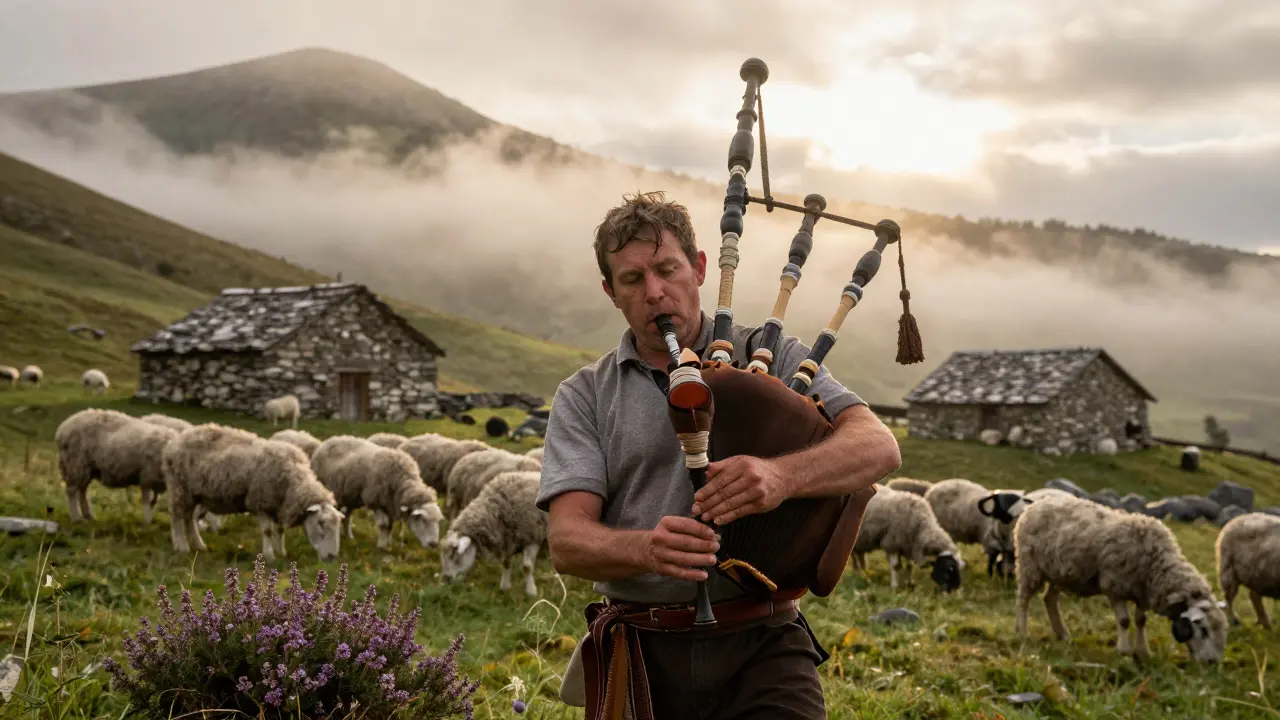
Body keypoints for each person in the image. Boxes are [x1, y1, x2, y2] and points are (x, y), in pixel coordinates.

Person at [536, 191, 902, 719]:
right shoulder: (586, 395)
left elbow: (877, 447)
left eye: (668, 269)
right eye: (633, 280)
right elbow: (568, 542)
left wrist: (780, 476)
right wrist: (648, 550)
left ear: (701, 267)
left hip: (764, 638)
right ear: (610, 292)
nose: (656, 293)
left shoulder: (770, 355)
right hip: (643, 647)